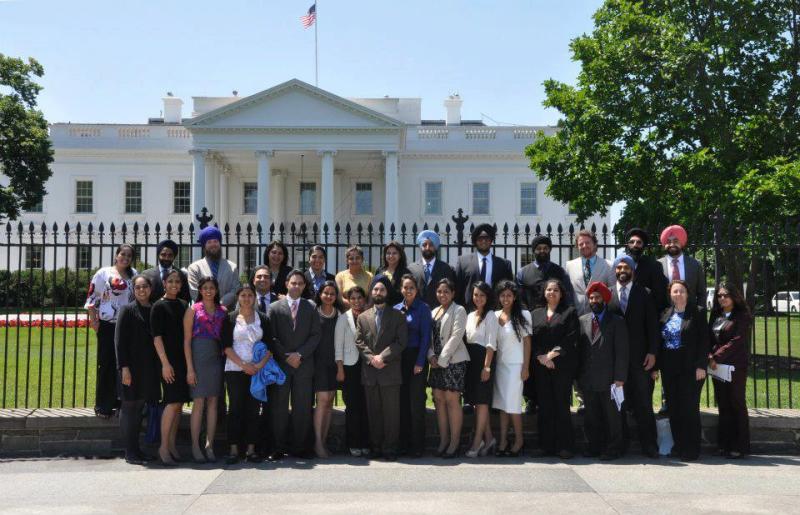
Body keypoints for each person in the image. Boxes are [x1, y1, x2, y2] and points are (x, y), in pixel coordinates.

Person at [607, 255, 659, 458]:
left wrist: (653, 353)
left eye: (626, 267)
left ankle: (649, 445)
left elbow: (653, 326)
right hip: (615, 361)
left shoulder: (644, 293)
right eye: (619, 267)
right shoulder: (608, 294)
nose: (622, 270)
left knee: (643, 403)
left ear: (633, 270)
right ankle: (619, 445)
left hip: (640, 360)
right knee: (617, 404)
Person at [267, 270, 321, 461]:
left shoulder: (311, 307)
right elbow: (271, 337)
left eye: (300, 283)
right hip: (282, 365)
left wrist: (300, 354)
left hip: (303, 365)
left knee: (302, 407)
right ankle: (278, 447)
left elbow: (316, 335)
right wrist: (285, 356)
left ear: (304, 286)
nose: (296, 286)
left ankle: (300, 447)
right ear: (287, 284)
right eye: (293, 283)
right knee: (279, 407)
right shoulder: (274, 308)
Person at [652, 280, 709, 461]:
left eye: (682, 291)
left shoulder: (697, 312)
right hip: (669, 368)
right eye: (675, 291)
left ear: (687, 293)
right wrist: (656, 367)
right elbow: (659, 343)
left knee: (689, 408)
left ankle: (691, 448)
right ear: (670, 294)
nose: (678, 294)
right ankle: (679, 445)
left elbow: (704, 340)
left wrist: (701, 365)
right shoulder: (665, 313)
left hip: (691, 368)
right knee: (674, 408)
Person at [355, 277, 408, 461]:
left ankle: (390, 448)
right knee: (374, 412)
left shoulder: (398, 316)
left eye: (382, 290)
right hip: (370, 372)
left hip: (390, 371)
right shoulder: (362, 317)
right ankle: (376, 446)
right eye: (375, 289)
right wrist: (371, 358)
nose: (378, 293)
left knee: (391, 413)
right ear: (371, 292)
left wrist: (382, 357)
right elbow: (359, 341)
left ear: (387, 293)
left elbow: (401, 342)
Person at [577, 281, 629, 460]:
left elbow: (622, 352)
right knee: (592, 416)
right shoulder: (582, 320)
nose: (594, 301)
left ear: (605, 299)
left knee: (612, 416)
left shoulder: (616, 321)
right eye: (591, 298)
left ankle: (614, 448)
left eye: (597, 297)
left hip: (610, 379)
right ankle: (594, 447)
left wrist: (620, 377)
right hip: (589, 378)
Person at [85, 243, 137, 419]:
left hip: (127, 326)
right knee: (106, 363)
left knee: (124, 364)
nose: (125, 258)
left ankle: (122, 401)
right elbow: (92, 297)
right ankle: (103, 404)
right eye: (123, 254)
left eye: (129, 256)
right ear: (116, 255)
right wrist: (94, 321)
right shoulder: (104, 273)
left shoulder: (134, 275)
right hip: (107, 325)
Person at [530, 279, 579, 459]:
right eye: (549, 289)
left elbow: (571, 337)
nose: (552, 292)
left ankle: (565, 446)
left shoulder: (569, 312)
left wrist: (552, 355)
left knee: (561, 405)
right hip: (541, 367)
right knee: (545, 406)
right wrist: (541, 357)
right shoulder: (535, 314)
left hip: (562, 366)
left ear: (561, 293)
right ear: (544, 293)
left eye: (556, 290)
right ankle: (546, 446)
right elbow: (531, 339)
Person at [222, 284, 270, 464]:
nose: (247, 298)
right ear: (238, 298)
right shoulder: (230, 318)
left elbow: (269, 346)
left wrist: (258, 366)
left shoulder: (263, 319)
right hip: (234, 369)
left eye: (250, 295)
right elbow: (226, 346)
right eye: (243, 295)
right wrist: (243, 365)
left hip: (257, 370)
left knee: (253, 409)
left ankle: (251, 449)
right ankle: (234, 449)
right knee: (235, 408)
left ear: (255, 298)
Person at [115, 275, 159, 465]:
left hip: (148, 368)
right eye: (138, 287)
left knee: (140, 407)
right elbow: (119, 342)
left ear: (151, 288)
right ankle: (130, 451)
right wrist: (124, 368)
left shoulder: (154, 309)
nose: (141, 290)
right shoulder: (127, 310)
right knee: (129, 408)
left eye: (145, 287)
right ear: (133, 290)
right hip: (130, 367)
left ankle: (137, 450)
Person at [183, 276, 228, 463]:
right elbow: (186, 341)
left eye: (212, 287)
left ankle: (210, 444)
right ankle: (195, 445)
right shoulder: (193, 310)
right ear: (200, 290)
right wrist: (190, 369)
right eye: (205, 288)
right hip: (198, 357)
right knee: (199, 402)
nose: (208, 291)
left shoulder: (223, 311)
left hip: (216, 358)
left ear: (216, 290)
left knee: (213, 403)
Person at [150, 269, 190, 466]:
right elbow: (156, 338)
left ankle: (172, 445)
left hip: (182, 360)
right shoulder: (158, 306)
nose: (174, 284)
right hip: (167, 362)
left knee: (179, 403)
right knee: (172, 402)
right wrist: (165, 364)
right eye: (171, 281)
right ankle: (163, 446)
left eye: (178, 282)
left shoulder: (183, 305)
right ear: (164, 283)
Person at [708, 282, 752, 459]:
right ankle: (724, 444)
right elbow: (708, 335)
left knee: (736, 404)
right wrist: (709, 355)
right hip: (717, 366)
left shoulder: (742, 316)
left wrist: (716, 357)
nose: (722, 298)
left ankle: (739, 446)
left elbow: (736, 341)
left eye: (726, 295)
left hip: (734, 366)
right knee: (723, 405)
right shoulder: (716, 314)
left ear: (734, 296)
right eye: (719, 295)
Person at [428, 278, 469, 458]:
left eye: (446, 291)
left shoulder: (459, 310)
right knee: (439, 400)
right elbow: (427, 338)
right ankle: (443, 441)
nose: (442, 294)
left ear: (453, 293)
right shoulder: (433, 311)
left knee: (452, 401)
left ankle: (454, 442)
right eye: (439, 291)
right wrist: (431, 356)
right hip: (436, 361)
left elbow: (456, 336)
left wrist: (442, 359)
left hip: (453, 361)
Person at [492, 280, 532, 457]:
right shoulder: (494, 315)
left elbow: (527, 343)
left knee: (513, 405)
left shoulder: (523, 315)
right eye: (502, 295)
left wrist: (525, 367)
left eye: (509, 295)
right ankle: (503, 441)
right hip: (500, 366)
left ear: (514, 297)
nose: (505, 298)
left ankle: (519, 440)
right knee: (502, 405)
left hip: (516, 366)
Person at [394, 274, 431, 458]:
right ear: (401, 289)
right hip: (399, 360)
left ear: (416, 290)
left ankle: (417, 445)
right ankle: (403, 443)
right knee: (402, 403)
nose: (408, 291)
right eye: (405, 287)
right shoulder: (396, 309)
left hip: (416, 358)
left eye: (412, 288)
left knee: (416, 403)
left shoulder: (423, 309)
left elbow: (426, 337)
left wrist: (420, 362)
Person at [463, 281, 499, 458]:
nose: (478, 298)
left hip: (484, 360)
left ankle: (478, 441)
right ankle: (490, 438)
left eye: (482, 295)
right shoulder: (469, 315)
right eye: (476, 294)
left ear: (488, 297)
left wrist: (487, 366)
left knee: (483, 402)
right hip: (471, 361)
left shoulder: (491, 315)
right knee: (477, 403)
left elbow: (491, 344)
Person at [335, 286, 371, 457]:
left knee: (366, 406)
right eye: (353, 298)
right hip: (349, 367)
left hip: (366, 367)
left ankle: (365, 442)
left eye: (359, 298)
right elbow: (338, 347)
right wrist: (340, 369)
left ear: (364, 299)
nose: (357, 301)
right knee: (353, 407)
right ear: (348, 301)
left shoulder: (369, 316)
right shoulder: (343, 319)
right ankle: (353, 443)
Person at [313, 280, 344, 458]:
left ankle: (323, 442)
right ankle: (317, 442)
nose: (329, 296)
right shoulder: (313, 312)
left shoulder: (339, 315)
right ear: (320, 294)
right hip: (318, 364)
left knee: (330, 402)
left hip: (334, 364)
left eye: (332, 293)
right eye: (326, 293)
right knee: (322, 401)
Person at [455, 223, 513, 312]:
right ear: (475, 241)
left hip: (496, 311)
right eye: (480, 238)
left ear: (491, 240)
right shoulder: (463, 262)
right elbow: (458, 290)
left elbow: (510, 291)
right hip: (470, 311)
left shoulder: (504, 264)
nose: (484, 241)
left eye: (487, 238)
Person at [516, 235, 574, 311]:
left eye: (545, 248)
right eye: (539, 248)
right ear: (534, 250)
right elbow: (519, 298)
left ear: (549, 250)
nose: (542, 251)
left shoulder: (560, 272)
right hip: (531, 317)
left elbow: (568, 297)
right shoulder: (522, 273)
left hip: (556, 317)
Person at [187, 226, 240, 310]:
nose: (213, 245)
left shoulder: (232, 267)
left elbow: (235, 290)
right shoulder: (194, 268)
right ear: (204, 246)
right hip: (203, 314)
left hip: (227, 313)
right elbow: (194, 291)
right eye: (209, 242)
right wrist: (209, 305)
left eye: (215, 241)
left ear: (219, 243)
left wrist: (219, 304)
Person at [566, 229, 615, 315]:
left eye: (587, 242)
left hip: (600, 318)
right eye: (581, 244)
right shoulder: (570, 265)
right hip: (576, 317)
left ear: (594, 244)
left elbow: (612, 293)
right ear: (577, 247)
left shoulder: (609, 266)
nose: (584, 246)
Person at [658, 225, 707, 311]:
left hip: (690, 316)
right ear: (664, 244)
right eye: (668, 241)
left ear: (681, 242)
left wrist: (700, 313)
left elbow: (702, 293)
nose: (672, 244)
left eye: (675, 241)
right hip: (664, 316)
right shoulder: (657, 265)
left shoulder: (695, 264)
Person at [407, 230, 456, 308]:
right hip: (418, 314)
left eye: (431, 245)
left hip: (440, 314)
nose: (427, 248)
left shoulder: (446, 268)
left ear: (435, 247)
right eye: (424, 245)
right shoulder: (411, 268)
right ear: (420, 247)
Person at [624, 228, 668, 312]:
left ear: (643, 246)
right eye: (632, 242)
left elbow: (659, 296)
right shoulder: (619, 264)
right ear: (627, 245)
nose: (635, 245)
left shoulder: (654, 266)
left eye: (639, 242)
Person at [141, 239, 190, 304]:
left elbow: (186, 297)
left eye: (170, 255)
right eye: (163, 255)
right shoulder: (146, 274)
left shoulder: (182, 275)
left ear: (174, 257)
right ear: (158, 255)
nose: (166, 258)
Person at [372, 241, 410, 307]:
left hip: (397, 310)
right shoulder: (379, 270)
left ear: (400, 255)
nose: (391, 256)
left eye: (394, 253)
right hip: (380, 308)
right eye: (388, 253)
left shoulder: (405, 272)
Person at [336, 245, 374, 310]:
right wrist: (355, 307)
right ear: (347, 261)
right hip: (346, 314)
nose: (354, 261)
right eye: (351, 258)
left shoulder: (370, 276)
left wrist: (364, 308)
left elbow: (371, 297)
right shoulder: (340, 276)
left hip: (365, 312)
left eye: (357, 258)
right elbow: (339, 297)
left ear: (362, 259)